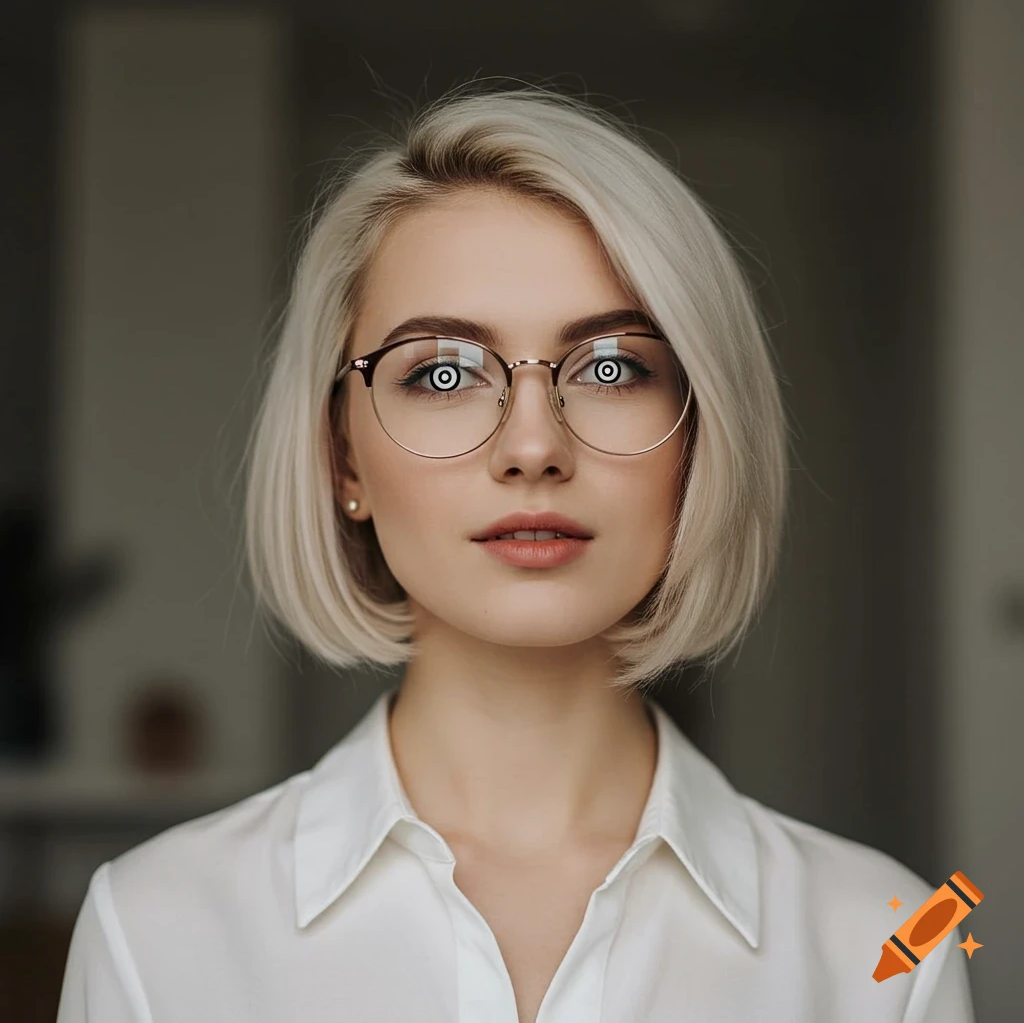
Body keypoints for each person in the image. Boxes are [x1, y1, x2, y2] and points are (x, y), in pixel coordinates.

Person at [55, 84, 976, 1023]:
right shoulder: (154, 928)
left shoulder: (889, 942)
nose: (533, 446)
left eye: (613, 366)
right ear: (342, 457)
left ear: (701, 438)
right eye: (443, 373)